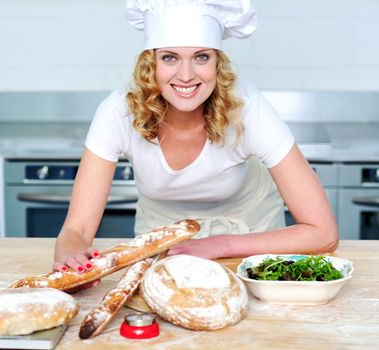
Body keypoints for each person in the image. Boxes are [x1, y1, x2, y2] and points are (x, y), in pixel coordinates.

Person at [53, 0, 339, 278]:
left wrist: (220, 244)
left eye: (201, 57)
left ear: (218, 63)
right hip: (163, 247)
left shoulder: (248, 107)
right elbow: (75, 230)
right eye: (169, 58)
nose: (186, 75)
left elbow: (323, 232)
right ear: (150, 64)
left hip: (248, 241)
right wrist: (72, 258)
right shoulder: (118, 112)